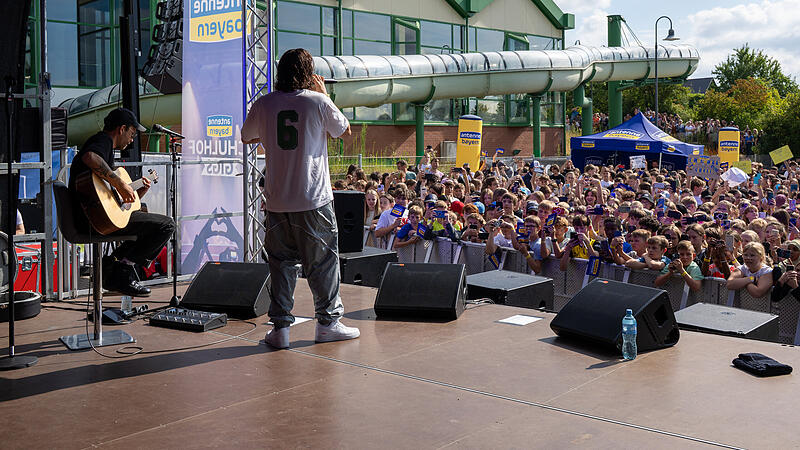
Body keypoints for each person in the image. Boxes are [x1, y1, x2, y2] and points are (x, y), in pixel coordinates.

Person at [241, 48, 359, 349]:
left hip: (277, 200)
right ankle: (328, 323)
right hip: (312, 199)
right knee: (322, 263)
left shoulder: (264, 103)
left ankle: (279, 330)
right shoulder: (318, 102)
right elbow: (345, 132)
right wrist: (325, 95)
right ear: (309, 72)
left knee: (281, 264)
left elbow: (246, 136)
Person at [68, 108, 175, 297]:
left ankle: (115, 264)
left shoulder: (105, 147)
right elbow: (89, 157)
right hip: (91, 221)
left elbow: (112, 205)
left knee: (147, 218)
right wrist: (120, 183)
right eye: (132, 133)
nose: (132, 139)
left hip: (94, 218)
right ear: (122, 129)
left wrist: (135, 193)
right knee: (166, 225)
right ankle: (120, 270)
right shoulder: (102, 141)